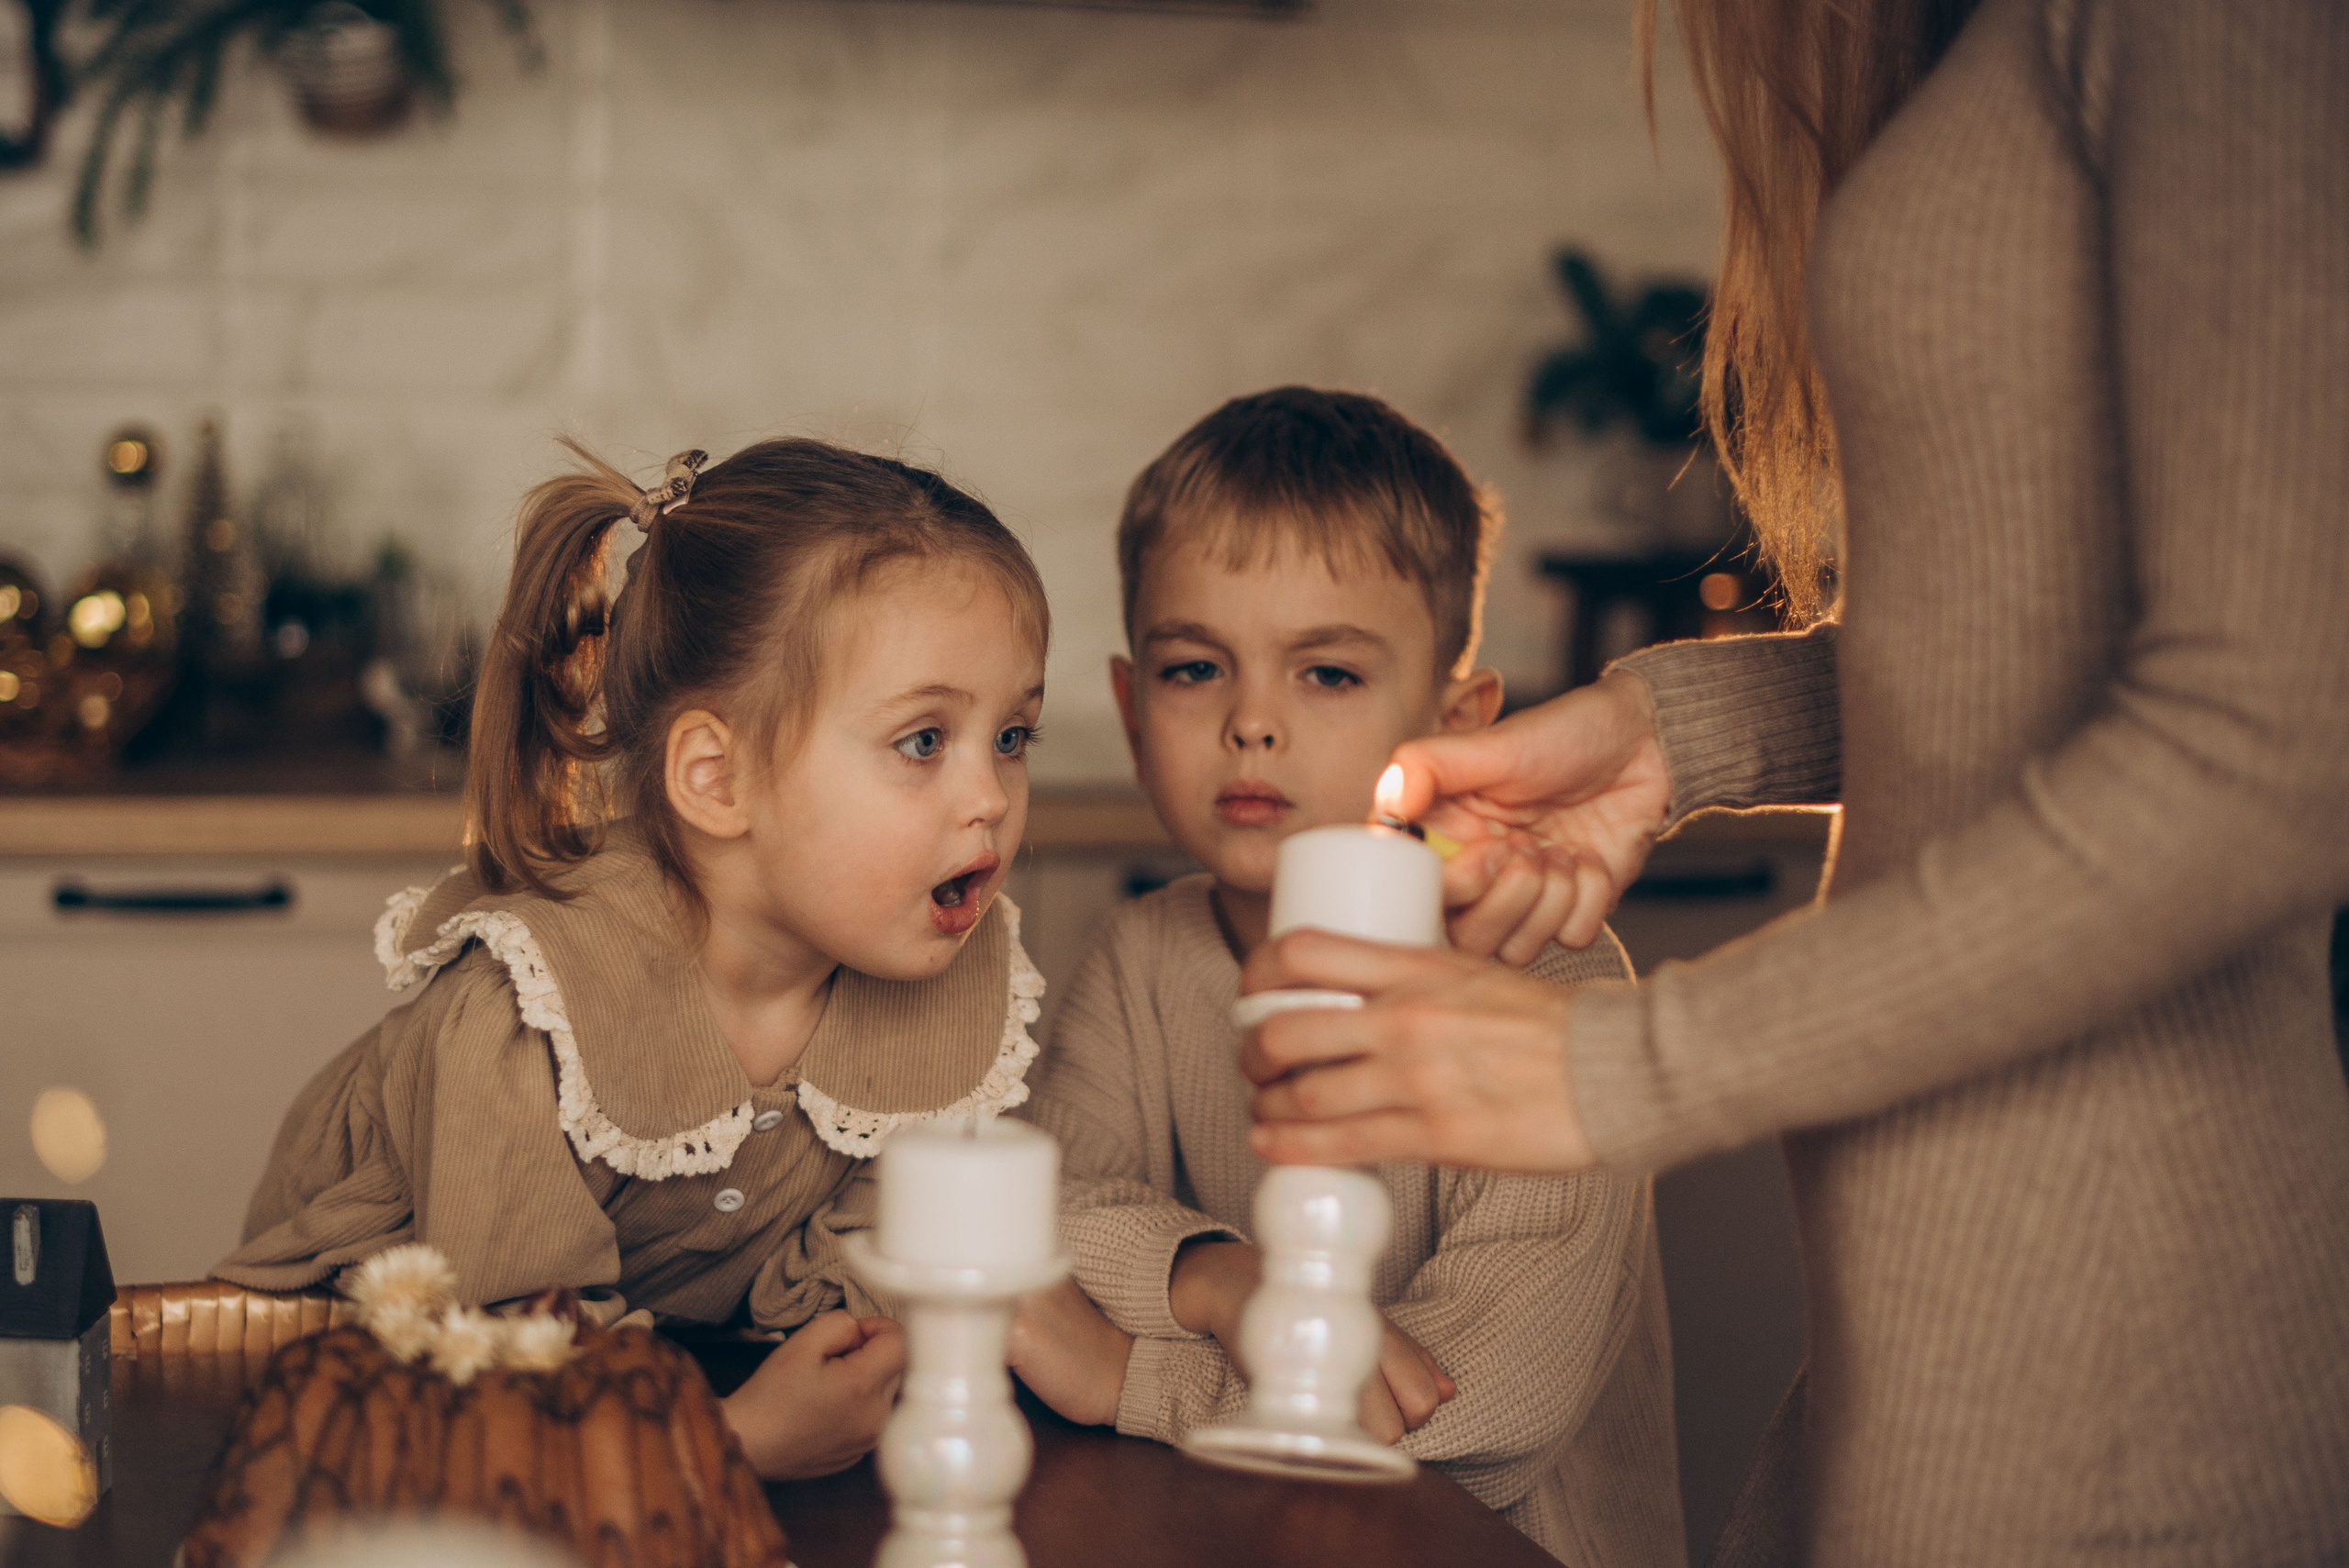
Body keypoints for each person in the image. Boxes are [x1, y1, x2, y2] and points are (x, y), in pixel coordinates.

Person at [1235, 2, 2349, 1563]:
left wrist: (1618, 1066)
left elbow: (2272, 746)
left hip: (2125, 1331)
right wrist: (1676, 729)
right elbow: (2030, 638)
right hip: (1937, 1315)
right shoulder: (1995, 49)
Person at [216, 438, 1055, 1482]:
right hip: (354, 1421)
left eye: (1013, 736)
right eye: (924, 741)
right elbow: (505, 1363)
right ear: (718, 780)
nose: (990, 798)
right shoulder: (525, 1014)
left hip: (650, 1406)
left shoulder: (934, 972)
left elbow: (850, 1266)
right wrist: (733, 1440)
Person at [1003, 387, 1685, 1565]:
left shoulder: (1557, 985)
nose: (1251, 723)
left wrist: (1129, 1373)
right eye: (1192, 668)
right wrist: (1223, 1282)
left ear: (1457, 717)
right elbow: (1048, 1222)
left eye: (1325, 674)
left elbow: (1478, 1413)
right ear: (1127, 709)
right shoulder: (1143, 955)